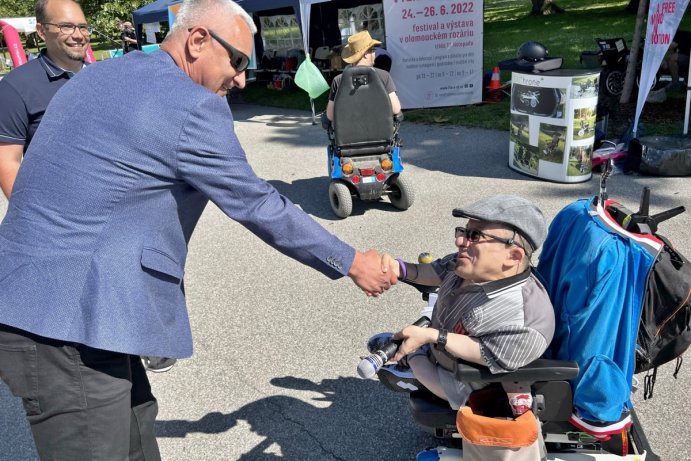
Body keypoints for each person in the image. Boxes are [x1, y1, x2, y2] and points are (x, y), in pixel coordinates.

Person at [0, 0, 396, 458]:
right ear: (198, 40)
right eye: (239, 61)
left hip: (73, 304)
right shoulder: (191, 105)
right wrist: (351, 261)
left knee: (136, 429)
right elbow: (257, 203)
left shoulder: (98, 76)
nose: (243, 78)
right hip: (65, 318)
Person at [374, 195, 555, 414]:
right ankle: (413, 351)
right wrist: (399, 269)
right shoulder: (470, 265)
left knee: (414, 356)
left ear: (513, 256)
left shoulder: (524, 318)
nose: (459, 241)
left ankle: (412, 361)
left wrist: (432, 337)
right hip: (444, 349)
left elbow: (488, 352)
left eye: (475, 236)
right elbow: (438, 270)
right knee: (411, 339)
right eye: (463, 232)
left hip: (473, 382)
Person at [0, 0, 90, 199]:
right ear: (42, 31)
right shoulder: (15, 87)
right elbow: (7, 162)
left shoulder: (103, 76)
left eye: (83, 27)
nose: (78, 35)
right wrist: (29, 216)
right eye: (66, 26)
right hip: (58, 212)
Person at [326, 30, 401, 121]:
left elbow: (330, 116)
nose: (374, 53)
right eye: (373, 50)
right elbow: (396, 109)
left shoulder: (338, 80)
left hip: (348, 134)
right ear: (365, 54)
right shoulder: (384, 76)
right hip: (380, 132)